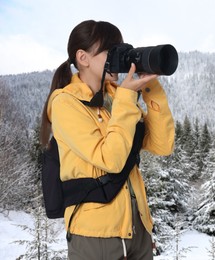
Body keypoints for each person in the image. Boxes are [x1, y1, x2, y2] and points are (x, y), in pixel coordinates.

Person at [40, 20, 175, 259]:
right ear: (83, 58)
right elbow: (110, 159)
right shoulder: (65, 103)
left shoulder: (116, 98)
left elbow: (162, 145)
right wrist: (127, 97)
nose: (119, 57)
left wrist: (150, 86)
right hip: (95, 235)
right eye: (110, 51)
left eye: (120, 50)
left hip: (138, 229)